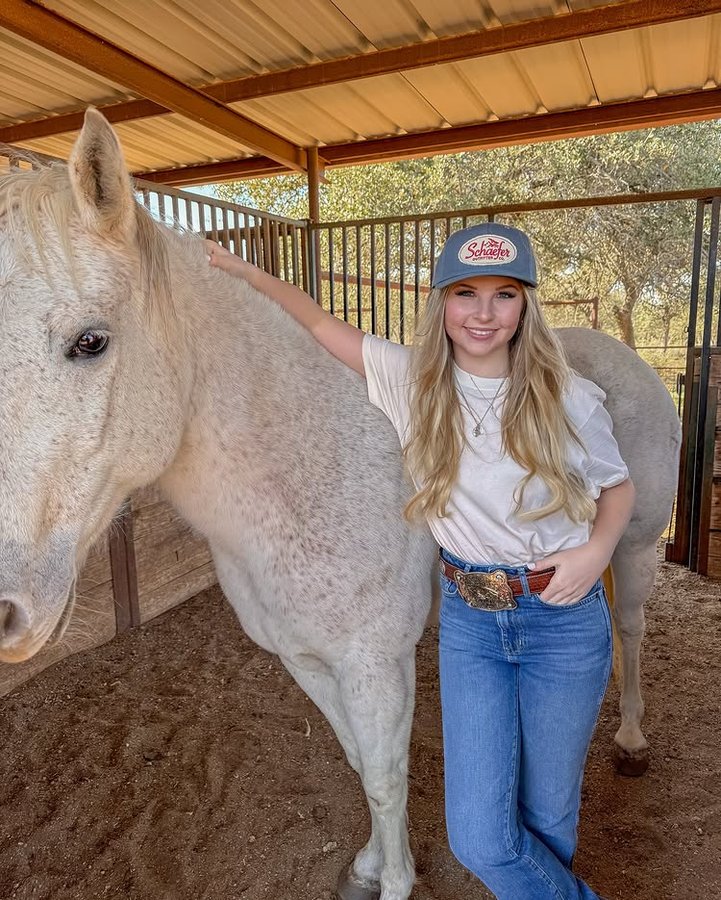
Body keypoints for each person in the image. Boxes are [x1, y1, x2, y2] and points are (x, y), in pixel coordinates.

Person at [205, 222, 634, 900]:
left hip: (562, 615)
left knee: (547, 813)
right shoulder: (410, 381)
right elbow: (317, 324)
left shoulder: (569, 398)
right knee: (477, 836)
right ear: (441, 302)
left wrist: (597, 550)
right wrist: (245, 274)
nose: (483, 313)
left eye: (503, 294)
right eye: (465, 293)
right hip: (472, 623)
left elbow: (616, 487)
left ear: (525, 305)